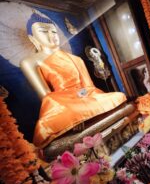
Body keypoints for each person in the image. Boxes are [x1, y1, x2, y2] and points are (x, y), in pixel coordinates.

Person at [20, 13, 127, 148]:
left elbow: (90, 87)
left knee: (118, 96)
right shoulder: (30, 62)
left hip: (86, 97)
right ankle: (78, 115)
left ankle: (82, 113)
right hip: (64, 103)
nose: (51, 35)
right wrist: (73, 106)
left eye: (54, 31)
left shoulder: (76, 59)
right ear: (32, 38)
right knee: (70, 113)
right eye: (43, 31)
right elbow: (46, 97)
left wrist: (82, 96)